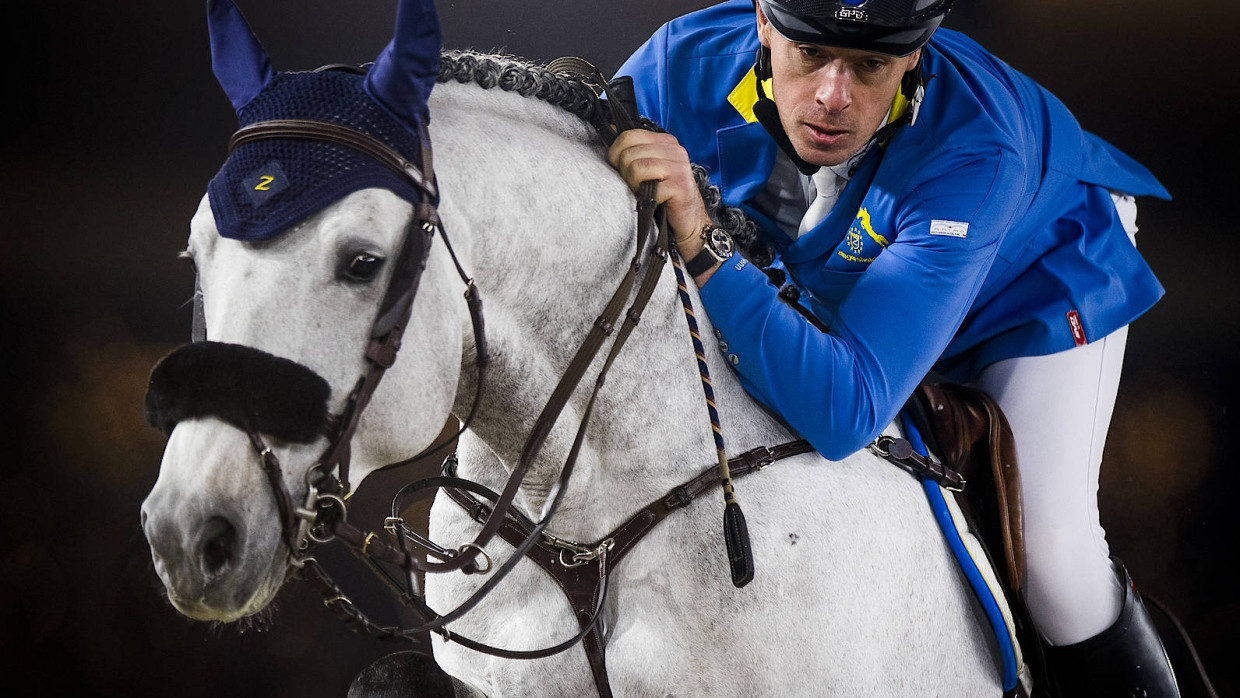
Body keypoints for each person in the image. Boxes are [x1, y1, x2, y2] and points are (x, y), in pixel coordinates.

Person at [606, 1, 1179, 695]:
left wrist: (707, 245)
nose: (832, 97)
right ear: (763, 21)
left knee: (1059, 568)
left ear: (915, 54)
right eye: (810, 54)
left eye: (870, 64)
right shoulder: (677, 68)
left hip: (1040, 278)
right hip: (849, 265)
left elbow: (843, 412)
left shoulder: (974, 147)